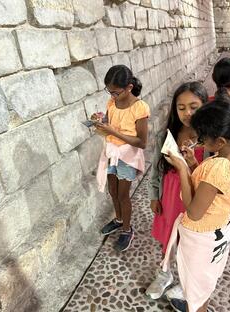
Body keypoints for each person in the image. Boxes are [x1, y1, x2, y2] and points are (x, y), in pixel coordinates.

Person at [161, 99, 230, 312]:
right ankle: (200, 305)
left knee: (197, 288)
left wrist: (182, 169)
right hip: (220, 229)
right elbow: (213, 188)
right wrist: (192, 164)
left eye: (202, 137)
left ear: (218, 141)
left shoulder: (217, 167)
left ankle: (198, 307)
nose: (198, 141)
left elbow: (194, 212)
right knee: (205, 283)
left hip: (201, 235)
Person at [145, 82, 208, 300]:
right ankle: (165, 274)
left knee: (190, 243)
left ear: (205, 105)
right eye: (181, 108)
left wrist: (190, 164)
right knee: (167, 237)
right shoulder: (167, 135)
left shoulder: (210, 140)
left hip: (193, 200)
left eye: (193, 106)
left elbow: (209, 178)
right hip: (170, 197)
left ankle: (186, 280)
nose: (187, 113)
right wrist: (154, 195)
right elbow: (156, 169)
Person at [95, 65, 150, 252]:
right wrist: (100, 121)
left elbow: (142, 142)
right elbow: (109, 123)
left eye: (116, 92)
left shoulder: (140, 108)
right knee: (112, 190)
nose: (112, 96)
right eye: (109, 92)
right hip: (111, 152)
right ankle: (118, 219)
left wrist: (113, 132)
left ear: (129, 88)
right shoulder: (112, 103)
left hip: (128, 156)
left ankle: (127, 229)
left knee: (122, 195)